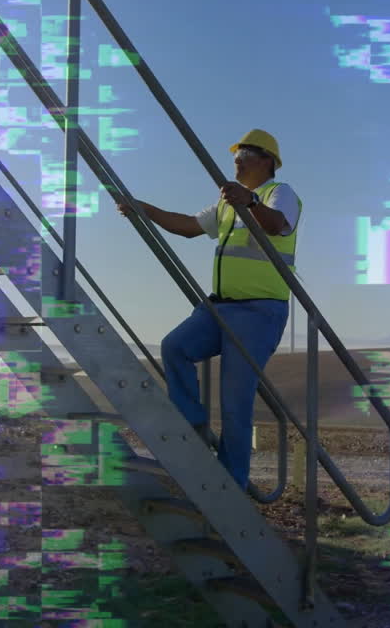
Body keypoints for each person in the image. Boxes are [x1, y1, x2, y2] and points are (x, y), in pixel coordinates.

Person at [116, 129, 302, 490]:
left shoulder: (281, 193)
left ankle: (229, 486)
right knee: (175, 347)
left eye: (245, 152)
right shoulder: (227, 204)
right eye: (236, 153)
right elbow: (186, 227)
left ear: (267, 160)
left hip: (260, 312)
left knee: (235, 403)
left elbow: (277, 224)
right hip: (220, 308)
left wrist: (248, 202)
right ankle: (193, 430)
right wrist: (144, 210)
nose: (236, 158)